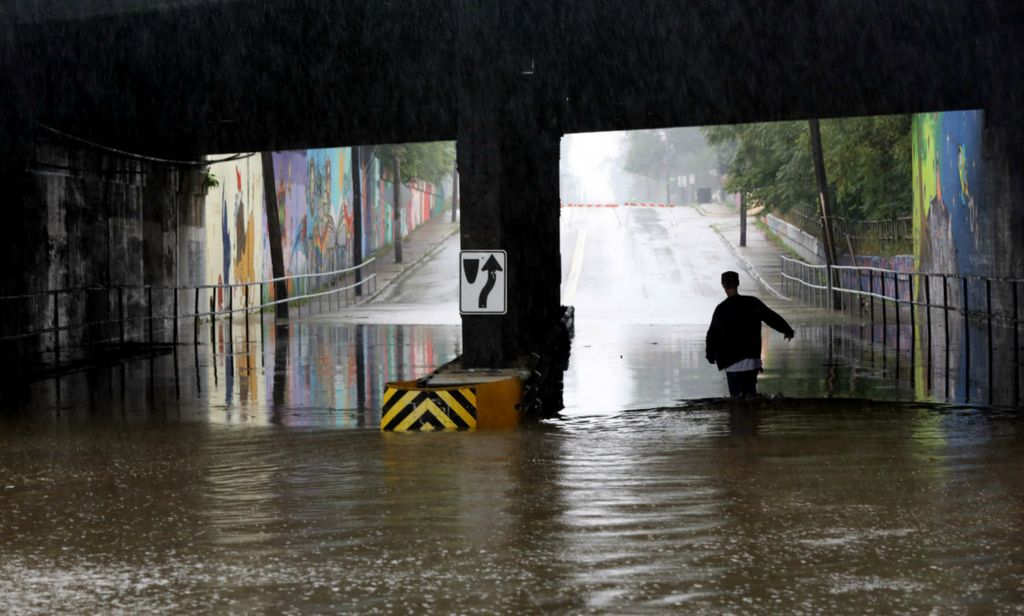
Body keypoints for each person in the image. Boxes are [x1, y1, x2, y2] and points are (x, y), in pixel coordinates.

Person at [706, 271, 794, 398]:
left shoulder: (721, 309)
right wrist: (787, 330)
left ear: (723, 285)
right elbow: (771, 317)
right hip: (752, 360)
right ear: (738, 283)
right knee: (751, 396)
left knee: (736, 401)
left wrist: (710, 355)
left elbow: (712, 335)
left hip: (731, 364)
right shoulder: (752, 303)